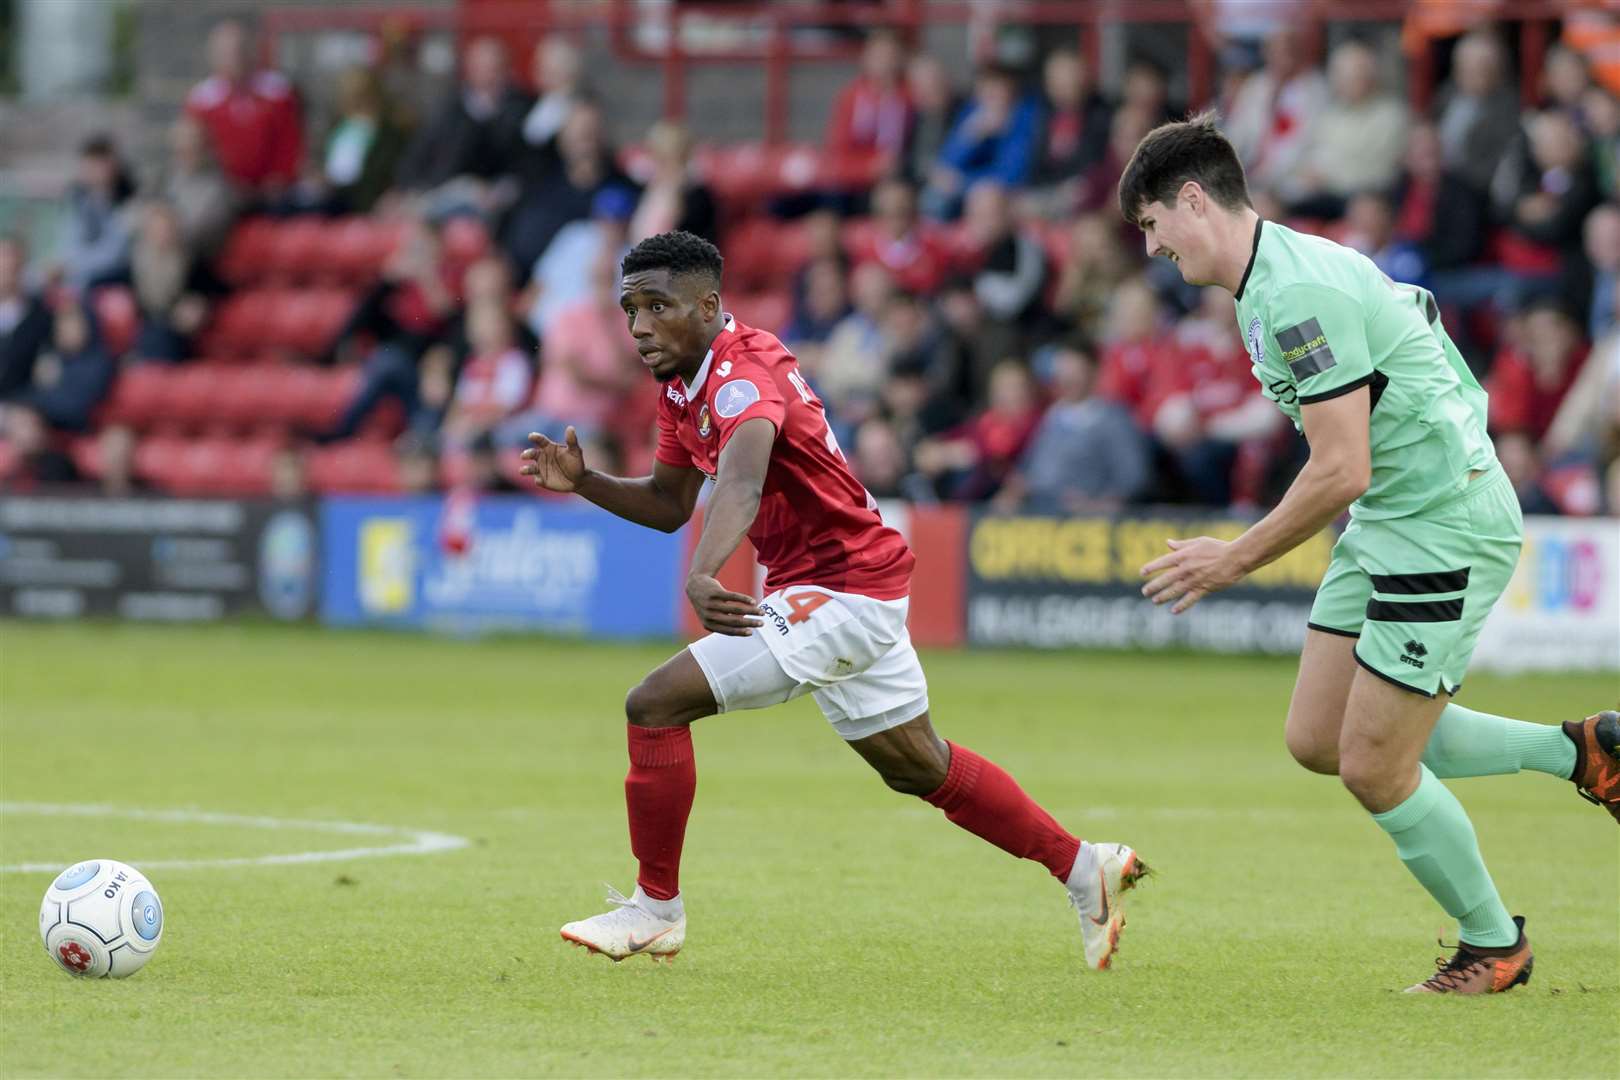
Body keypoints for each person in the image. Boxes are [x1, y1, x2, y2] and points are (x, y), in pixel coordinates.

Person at [520, 230, 1147, 966]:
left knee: (653, 704)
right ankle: (1085, 868)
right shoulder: (681, 385)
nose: (640, 327)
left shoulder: (739, 376)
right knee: (918, 765)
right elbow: (667, 501)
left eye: (658, 307)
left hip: (839, 587)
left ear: (708, 304)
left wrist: (705, 571)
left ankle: (655, 908)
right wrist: (587, 482)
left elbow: (745, 479)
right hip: (844, 582)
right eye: (630, 309)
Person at [1117, 113, 1619, 994]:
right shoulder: (1269, 282)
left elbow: (1341, 466)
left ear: (1193, 201)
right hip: (1393, 518)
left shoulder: (1295, 290)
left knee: (1376, 766)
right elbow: (1416, 335)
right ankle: (1583, 753)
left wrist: (1231, 560)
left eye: (1153, 224)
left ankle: (1492, 945)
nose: (1152, 248)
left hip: (1439, 525)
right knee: (1318, 739)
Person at [993, 345, 1149, 513]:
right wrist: (1013, 491)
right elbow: (1028, 469)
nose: (1068, 378)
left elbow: (1134, 477)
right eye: (1063, 371)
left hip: (1086, 521)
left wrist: (1099, 504)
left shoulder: (1114, 418)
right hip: (1041, 517)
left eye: (1075, 371)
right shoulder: (1052, 416)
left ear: (1094, 371)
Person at [184, 20, 303, 197]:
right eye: (226, 53)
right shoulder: (201, 100)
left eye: (239, 50)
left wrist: (281, 176)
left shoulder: (277, 92)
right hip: (221, 190)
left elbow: (291, 141)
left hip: (273, 190)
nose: (234, 58)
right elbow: (190, 150)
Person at [61, 135, 136, 291]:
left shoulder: (128, 203)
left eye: (98, 164)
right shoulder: (77, 199)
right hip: (77, 280)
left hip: (111, 282)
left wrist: (73, 267)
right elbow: (68, 245)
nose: (92, 171)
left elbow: (114, 255)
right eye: (88, 164)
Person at [826, 28, 912, 162]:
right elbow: (837, 146)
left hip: (898, 173)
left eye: (889, 56)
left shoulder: (909, 96)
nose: (884, 63)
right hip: (855, 172)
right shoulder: (851, 96)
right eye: (878, 56)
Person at [0, 234, 52, 401]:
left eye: (12, 259)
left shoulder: (40, 316)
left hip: (19, 403)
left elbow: (45, 372)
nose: (7, 266)